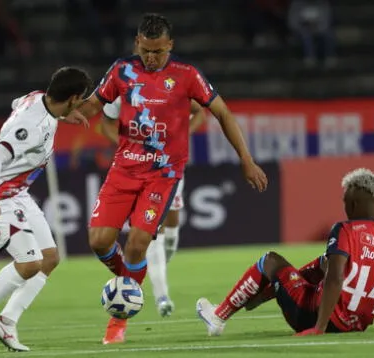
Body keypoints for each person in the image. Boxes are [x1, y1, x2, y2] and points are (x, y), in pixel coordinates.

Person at [68, 13, 268, 345]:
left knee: (137, 243)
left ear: (170, 46)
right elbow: (94, 105)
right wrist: (71, 112)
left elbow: (222, 112)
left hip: (162, 176)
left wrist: (246, 160)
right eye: (146, 50)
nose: (151, 57)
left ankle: (118, 320)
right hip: (123, 170)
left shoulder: (187, 76)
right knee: (99, 242)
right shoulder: (121, 71)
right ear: (137, 43)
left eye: (158, 51)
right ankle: (130, 281)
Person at [197, 168, 374, 336]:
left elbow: (335, 278)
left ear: (353, 203)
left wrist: (318, 327)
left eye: (345, 202)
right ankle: (264, 293)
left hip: (313, 316)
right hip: (355, 325)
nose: (344, 207)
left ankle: (219, 317)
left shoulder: (345, 229)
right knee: (322, 263)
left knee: (271, 261)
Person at [0, 67, 92, 352]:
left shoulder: (36, 98)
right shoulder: (30, 129)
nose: (82, 104)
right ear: (72, 98)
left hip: (16, 193)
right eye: (81, 99)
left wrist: (62, 115)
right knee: (29, 263)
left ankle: (6, 322)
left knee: (49, 258)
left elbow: (16, 104)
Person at [100, 96, 207, 317]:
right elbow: (106, 123)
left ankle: (164, 257)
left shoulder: (173, 87)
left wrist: (181, 136)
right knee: (151, 230)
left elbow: (200, 113)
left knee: (172, 226)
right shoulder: (124, 89)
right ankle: (162, 297)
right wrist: (125, 145)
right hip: (139, 169)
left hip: (170, 166)